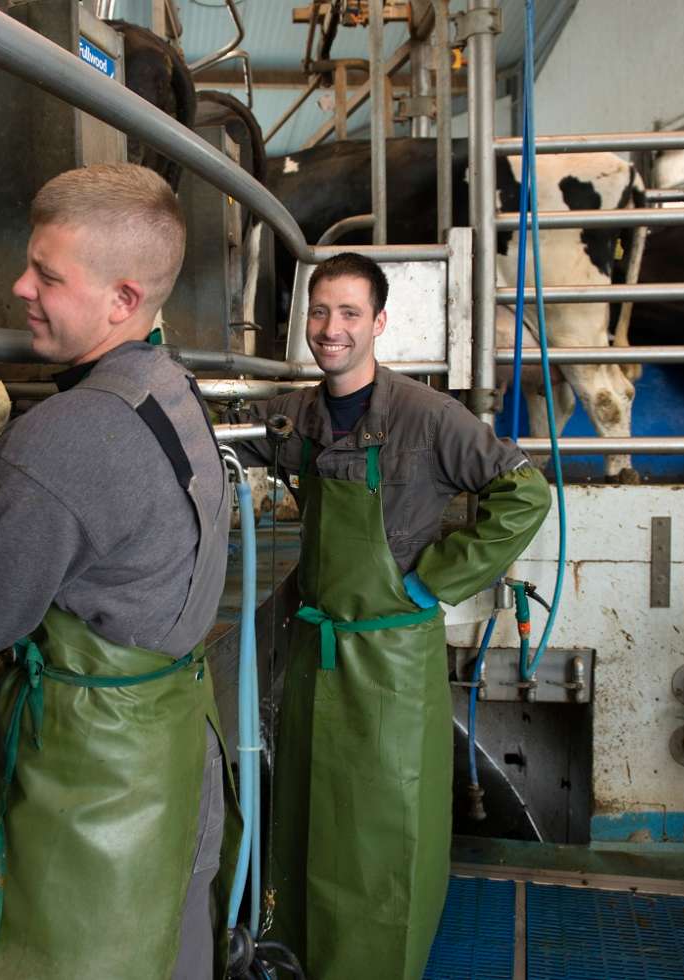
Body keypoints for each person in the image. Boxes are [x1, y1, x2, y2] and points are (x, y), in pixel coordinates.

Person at [0, 164, 237, 979]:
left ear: (122, 300)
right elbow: (2, 469)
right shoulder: (163, 386)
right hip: (169, 747)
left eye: (48, 276)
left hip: (97, 783)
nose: (20, 286)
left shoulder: (73, 434)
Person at [229, 251, 551, 979]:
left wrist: (433, 583)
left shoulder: (428, 416)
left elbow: (525, 494)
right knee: (307, 819)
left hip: (391, 661)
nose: (330, 329)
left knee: (384, 827)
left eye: (348, 314)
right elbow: (223, 434)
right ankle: (298, 958)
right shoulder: (298, 416)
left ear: (378, 322)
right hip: (318, 653)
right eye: (319, 312)